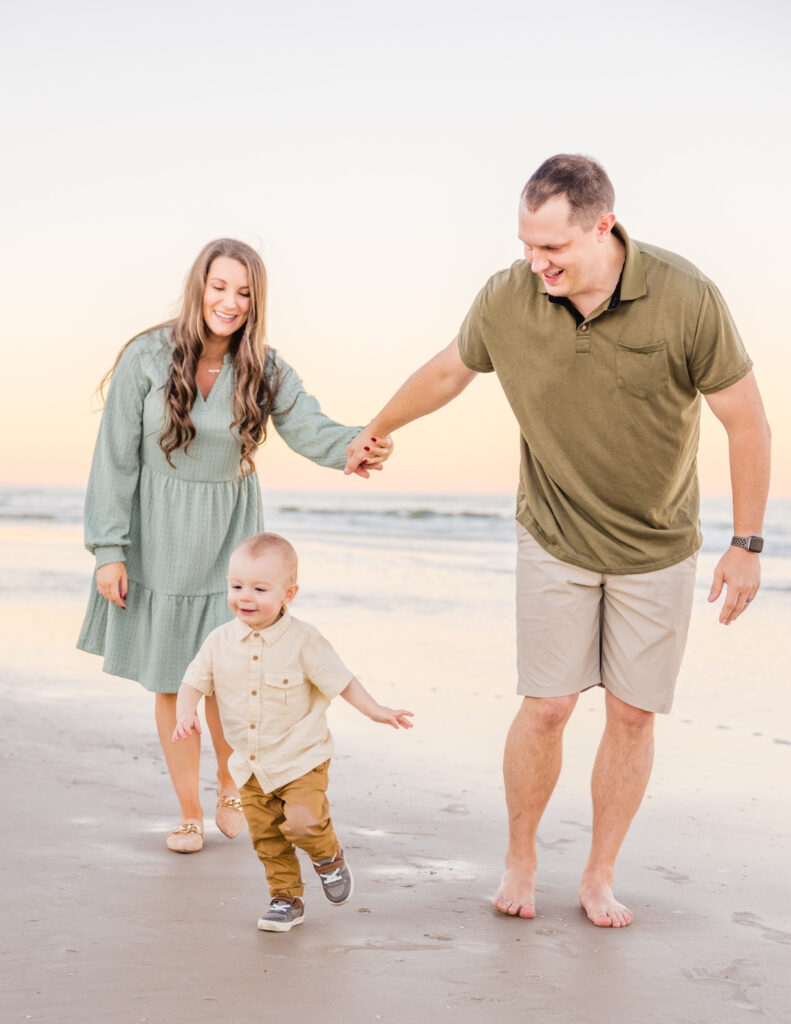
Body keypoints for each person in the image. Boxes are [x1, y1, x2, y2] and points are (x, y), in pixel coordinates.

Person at [344, 154, 771, 928]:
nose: (535, 262)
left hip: (657, 545)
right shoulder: (508, 297)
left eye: (553, 249)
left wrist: (746, 543)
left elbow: (744, 417)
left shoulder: (683, 296)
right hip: (552, 533)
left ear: (602, 227)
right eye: (525, 244)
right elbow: (448, 371)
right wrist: (378, 428)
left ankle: (599, 874)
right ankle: (520, 854)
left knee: (633, 717)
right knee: (546, 706)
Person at [78, 238, 391, 853]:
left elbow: (310, 426)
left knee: (228, 673)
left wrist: (359, 444)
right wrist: (108, 549)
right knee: (175, 679)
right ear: (199, 286)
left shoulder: (265, 368)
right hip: (158, 533)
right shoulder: (146, 356)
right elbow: (113, 458)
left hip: (230, 534)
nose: (230, 301)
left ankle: (229, 784)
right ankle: (189, 812)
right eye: (219, 286)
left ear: (256, 301)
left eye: (244, 292)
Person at [172, 532, 413, 931]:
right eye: (236, 586)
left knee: (302, 822)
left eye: (259, 588)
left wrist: (375, 711)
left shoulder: (304, 640)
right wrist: (186, 713)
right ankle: (286, 899)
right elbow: (193, 681)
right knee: (267, 839)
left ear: (289, 593)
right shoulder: (219, 641)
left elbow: (342, 680)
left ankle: (328, 857)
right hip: (250, 767)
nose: (245, 597)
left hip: (301, 759)